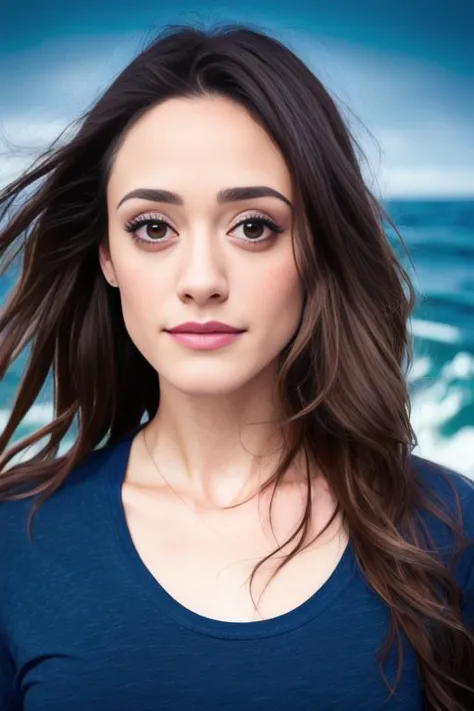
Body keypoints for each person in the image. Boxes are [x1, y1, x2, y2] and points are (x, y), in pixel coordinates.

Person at [0, 21, 472, 711]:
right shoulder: (15, 539)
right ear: (107, 256)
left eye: (254, 226)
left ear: (318, 249)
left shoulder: (452, 531)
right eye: (152, 227)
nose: (201, 279)